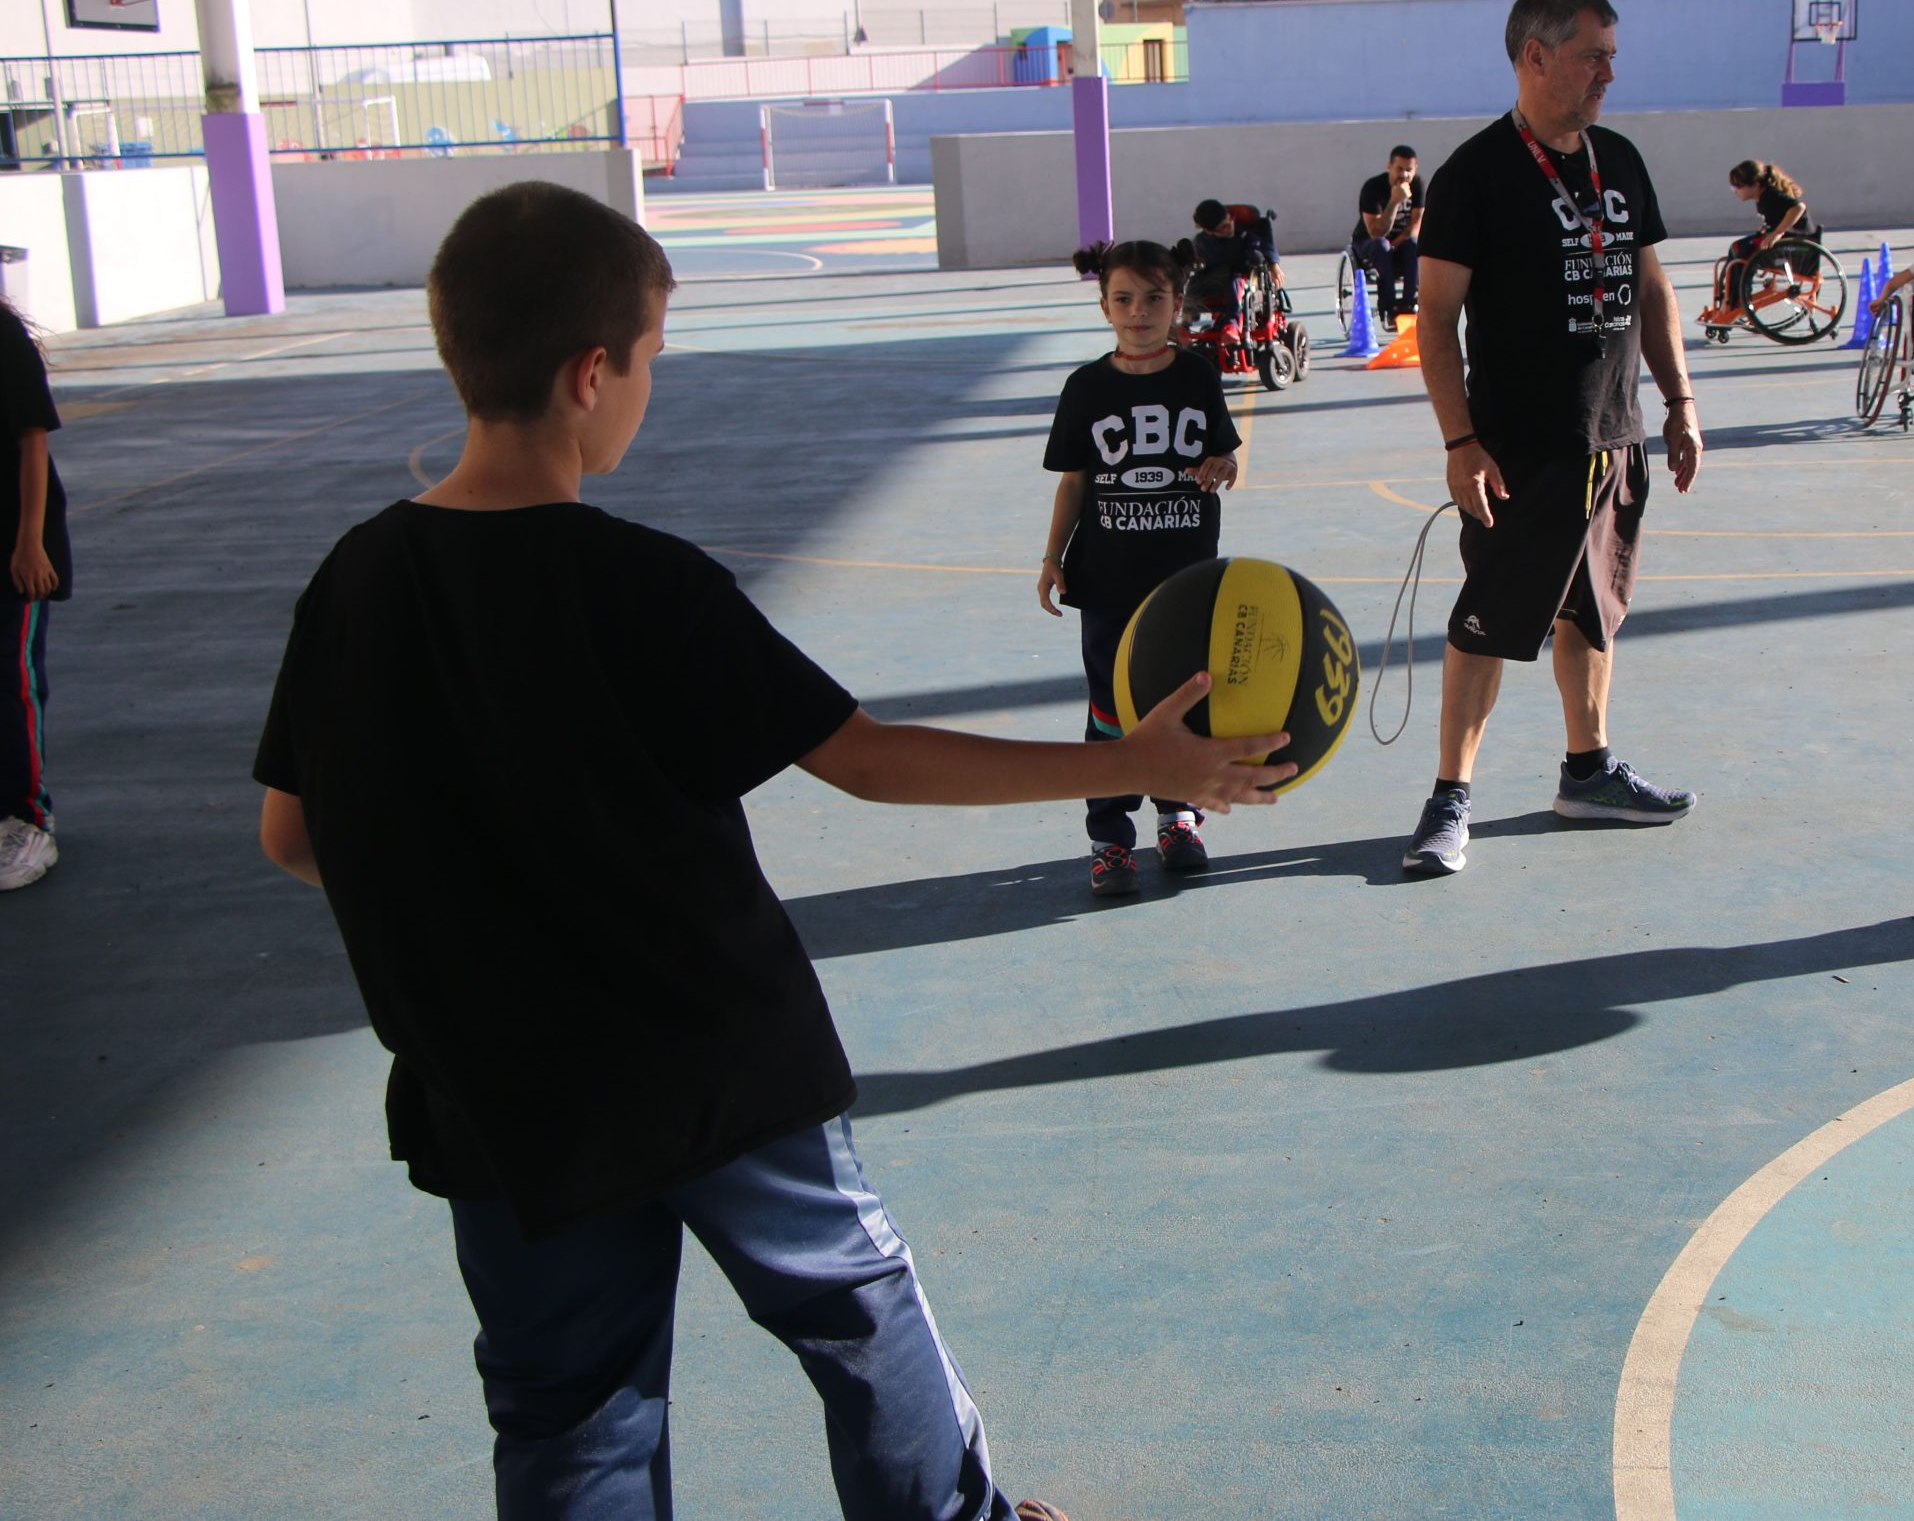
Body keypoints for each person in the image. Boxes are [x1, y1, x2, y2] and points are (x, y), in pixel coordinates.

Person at [252, 182, 1289, 1520]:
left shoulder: (359, 579)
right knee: (857, 1314)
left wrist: (484, 878)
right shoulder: (643, 581)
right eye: (649, 360)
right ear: (589, 374)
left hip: (499, 1080)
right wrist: (1131, 765)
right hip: (712, 1058)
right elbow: (863, 756)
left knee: (569, 1400)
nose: (648, 387)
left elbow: (295, 835)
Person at [1401, 0, 1704, 877]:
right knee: (1488, 622)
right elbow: (1435, 319)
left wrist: (1679, 400)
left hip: (1614, 436)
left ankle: (1589, 770)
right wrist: (1462, 444)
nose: (1610, 71)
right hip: (1520, 449)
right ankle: (1450, 797)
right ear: (1536, 56)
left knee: (1594, 612)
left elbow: (1652, 290)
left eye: (1611, 54)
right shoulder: (1474, 176)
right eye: (1593, 55)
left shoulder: (1620, 159)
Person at [1039, 237, 1242, 896]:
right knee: (1110, 710)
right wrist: (1051, 557)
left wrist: (1224, 466)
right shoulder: (1086, 387)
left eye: (1154, 297)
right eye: (1124, 298)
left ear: (1176, 303)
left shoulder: (1199, 376)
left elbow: (1226, 459)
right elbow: (1074, 483)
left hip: (1184, 582)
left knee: (1181, 699)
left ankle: (1178, 814)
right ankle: (1109, 839)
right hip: (1107, 581)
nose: (1139, 311)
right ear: (1104, 306)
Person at [2, 294, 66, 892]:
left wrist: (29, 541)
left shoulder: (2, 334)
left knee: (11, 682)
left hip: (10, 546)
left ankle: (27, 818)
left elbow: (33, 437)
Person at [1704, 159, 1818, 327]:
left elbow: (1798, 207)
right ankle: (1732, 298)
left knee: (1740, 251)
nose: (1735, 191)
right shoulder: (1764, 198)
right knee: (1736, 249)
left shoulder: (1770, 195)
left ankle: (1739, 298)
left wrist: (1777, 233)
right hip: (1783, 244)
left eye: (1738, 186)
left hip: (1795, 246)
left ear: (1755, 184)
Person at [1351, 145, 1428, 320]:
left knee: (1414, 245)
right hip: (1368, 242)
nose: (1404, 175)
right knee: (1381, 245)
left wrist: (1395, 244)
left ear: (1415, 169)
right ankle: (1388, 305)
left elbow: (1416, 224)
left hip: (1400, 242)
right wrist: (1394, 202)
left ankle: (1409, 304)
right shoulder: (1373, 187)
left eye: (1409, 170)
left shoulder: (1418, 185)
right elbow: (1376, 232)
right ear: (1389, 166)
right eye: (1399, 169)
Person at [1191, 198, 1278, 340]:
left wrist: (1273, 264)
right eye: (1223, 227)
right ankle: (1185, 323)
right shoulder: (1202, 242)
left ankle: (1232, 324)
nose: (1229, 227)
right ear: (1209, 231)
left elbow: (1265, 247)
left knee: (1235, 284)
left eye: (1230, 221)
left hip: (1240, 274)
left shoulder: (1243, 235)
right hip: (1215, 276)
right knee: (1192, 283)